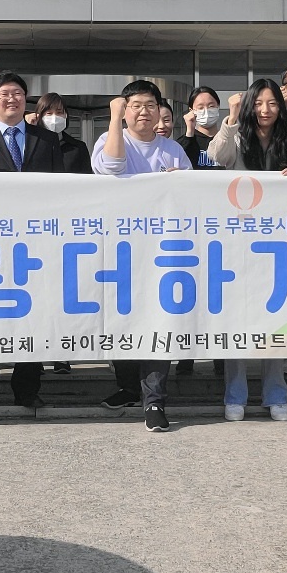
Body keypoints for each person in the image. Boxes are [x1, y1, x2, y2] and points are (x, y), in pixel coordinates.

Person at [0, 71, 65, 411]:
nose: (11, 99)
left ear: (25, 99)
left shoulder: (47, 139)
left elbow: (61, 189)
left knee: (33, 313)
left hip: (36, 243)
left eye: (17, 93)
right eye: (3, 94)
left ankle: (27, 389)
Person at [91, 80, 194, 433]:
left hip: (163, 254)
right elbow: (112, 167)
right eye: (135, 105)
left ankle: (154, 401)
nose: (144, 112)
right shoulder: (108, 139)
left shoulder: (173, 150)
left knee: (158, 322)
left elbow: (189, 197)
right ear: (124, 109)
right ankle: (129, 387)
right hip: (120, 252)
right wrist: (114, 118)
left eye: (150, 105)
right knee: (121, 321)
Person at [206, 79, 287, 422]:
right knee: (237, 320)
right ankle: (235, 396)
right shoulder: (238, 134)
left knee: (274, 319)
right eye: (258, 103)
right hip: (237, 243)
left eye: (272, 103)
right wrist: (231, 117)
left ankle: (277, 395)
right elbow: (215, 156)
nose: (265, 110)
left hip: (277, 243)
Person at [30, 91, 92, 174]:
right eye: (49, 113)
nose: (54, 118)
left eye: (59, 112)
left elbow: (86, 177)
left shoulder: (78, 147)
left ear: (66, 115)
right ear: (39, 116)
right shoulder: (31, 146)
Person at [176, 86, 225, 170]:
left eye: (211, 106)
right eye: (200, 108)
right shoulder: (184, 141)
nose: (206, 111)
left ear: (218, 106)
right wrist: (189, 132)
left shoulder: (227, 139)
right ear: (191, 110)